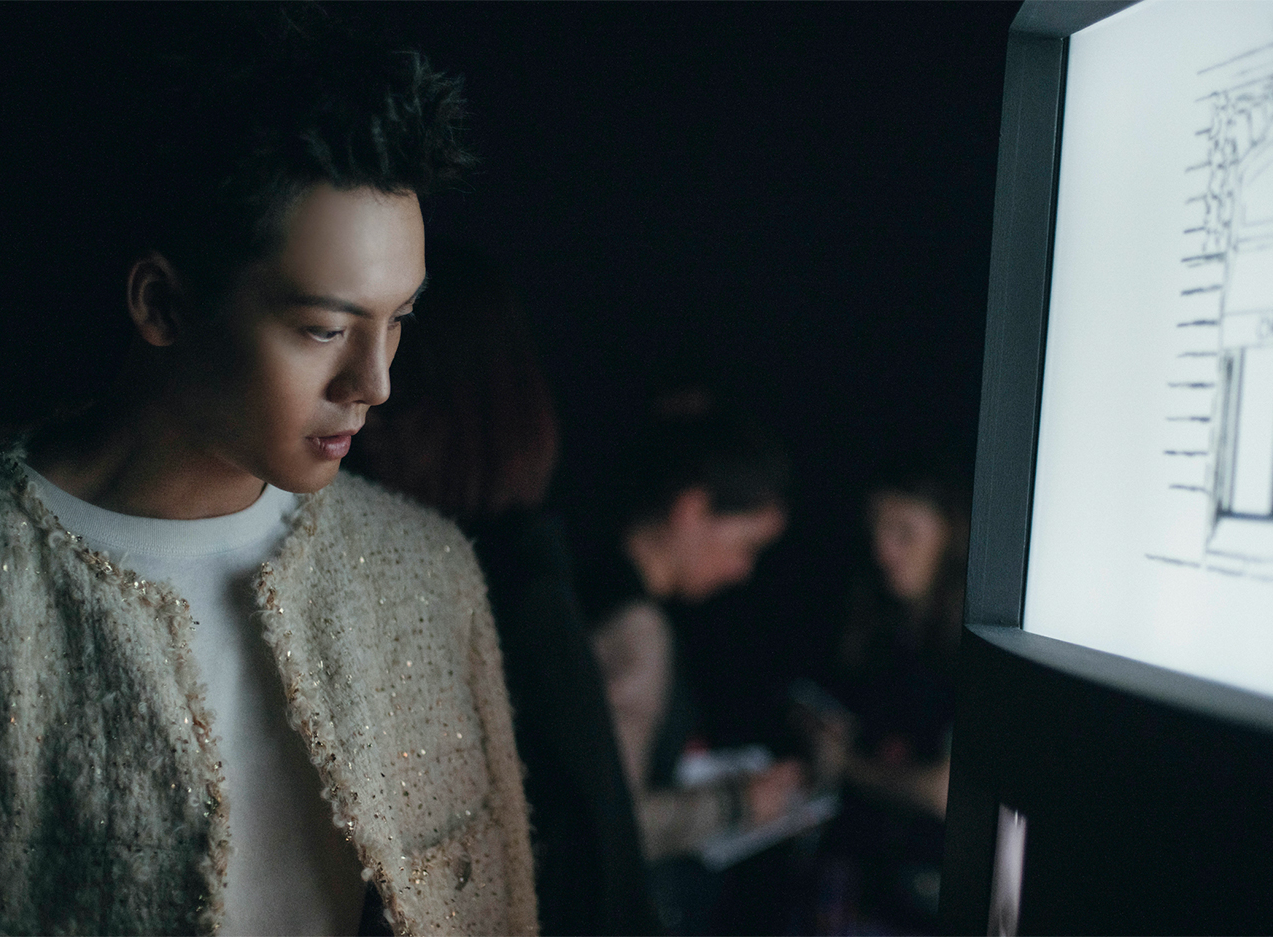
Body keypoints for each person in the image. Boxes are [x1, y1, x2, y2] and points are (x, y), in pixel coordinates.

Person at [0, 11, 535, 935]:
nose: (375, 382)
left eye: (398, 320)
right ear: (162, 304)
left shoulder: (426, 572)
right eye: (324, 328)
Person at [351, 242, 660, 936]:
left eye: (392, 335)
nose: (365, 392)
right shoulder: (521, 571)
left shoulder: (496, 590)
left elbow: (584, 860)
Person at [577, 407, 805, 930]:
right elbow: (615, 820)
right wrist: (741, 802)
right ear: (692, 508)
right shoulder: (638, 630)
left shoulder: (585, 576)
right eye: (747, 546)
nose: (744, 571)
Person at [804, 453, 969, 933]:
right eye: (875, 529)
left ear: (950, 534)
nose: (883, 549)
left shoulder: (971, 647)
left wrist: (846, 765)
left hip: (928, 895)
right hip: (863, 877)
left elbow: (945, 791)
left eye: (904, 531)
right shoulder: (879, 626)